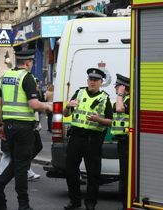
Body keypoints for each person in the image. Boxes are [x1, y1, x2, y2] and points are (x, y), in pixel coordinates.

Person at [0, 50, 52, 210]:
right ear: (27, 62)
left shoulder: (4, 77)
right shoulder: (27, 77)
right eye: (32, 63)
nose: (31, 65)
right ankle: (23, 204)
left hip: (9, 126)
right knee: (21, 167)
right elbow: (34, 104)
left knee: (17, 161)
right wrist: (48, 107)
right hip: (24, 128)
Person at [62, 68, 113, 210]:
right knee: (71, 170)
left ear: (101, 83)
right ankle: (74, 201)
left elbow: (111, 121)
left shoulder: (104, 98)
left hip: (93, 139)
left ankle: (90, 203)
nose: (92, 82)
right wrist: (68, 106)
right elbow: (65, 113)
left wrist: (99, 120)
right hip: (76, 137)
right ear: (87, 81)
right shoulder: (79, 92)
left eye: (96, 80)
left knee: (93, 173)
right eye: (91, 79)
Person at [111, 74, 130, 210]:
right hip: (121, 142)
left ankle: (126, 205)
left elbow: (120, 109)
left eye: (117, 86)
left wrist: (120, 95)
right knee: (123, 175)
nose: (115, 89)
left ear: (123, 87)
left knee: (126, 175)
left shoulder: (129, 100)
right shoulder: (121, 100)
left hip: (129, 143)